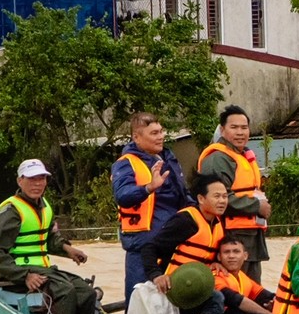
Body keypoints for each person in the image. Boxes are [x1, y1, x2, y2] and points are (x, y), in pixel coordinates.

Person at [0, 158, 98, 314]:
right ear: (20, 181)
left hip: (45, 271)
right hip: (18, 274)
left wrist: (67, 249)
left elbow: (49, 239)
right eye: (31, 179)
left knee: (86, 292)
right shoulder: (10, 210)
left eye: (41, 179)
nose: (37, 184)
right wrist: (24, 276)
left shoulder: (45, 206)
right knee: (65, 291)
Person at [111, 111, 190, 298]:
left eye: (161, 131)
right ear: (136, 137)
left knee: (173, 299)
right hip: (143, 244)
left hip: (172, 241)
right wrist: (148, 187)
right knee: (141, 299)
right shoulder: (125, 164)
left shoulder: (168, 159)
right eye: (154, 133)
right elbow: (122, 195)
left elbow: (183, 195)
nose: (161, 136)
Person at [197, 105, 270, 283]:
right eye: (234, 127)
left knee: (250, 288)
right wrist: (257, 206)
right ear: (222, 130)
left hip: (249, 237)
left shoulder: (242, 156)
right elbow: (217, 200)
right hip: (231, 236)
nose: (240, 133)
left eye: (244, 128)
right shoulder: (218, 159)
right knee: (233, 288)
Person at [145, 176, 229, 291]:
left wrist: (215, 262)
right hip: (174, 285)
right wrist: (156, 275)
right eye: (217, 196)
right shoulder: (185, 221)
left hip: (196, 283)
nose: (222, 201)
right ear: (201, 199)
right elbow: (149, 248)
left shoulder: (218, 223)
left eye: (225, 196)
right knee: (217, 299)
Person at [208, 235, 274, 314]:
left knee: (272, 307)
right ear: (219, 257)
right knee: (237, 312)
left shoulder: (244, 278)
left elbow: (267, 296)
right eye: (226, 252)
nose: (231, 256)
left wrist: (274, 306)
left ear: (245, 256)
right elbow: (234, 299)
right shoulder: (215, 275)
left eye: (236, 251)